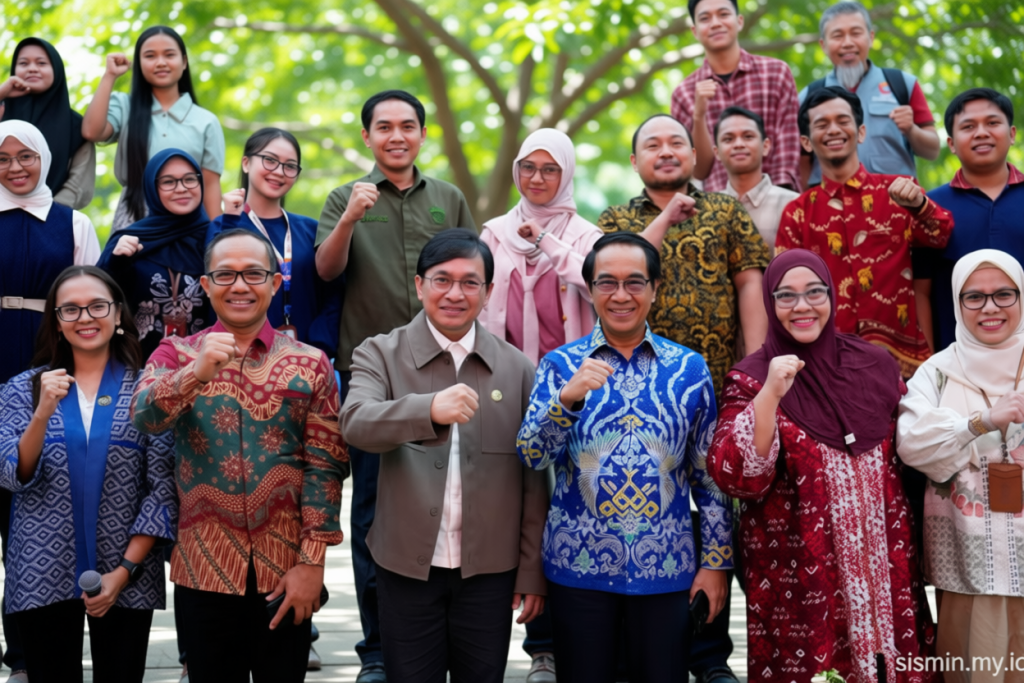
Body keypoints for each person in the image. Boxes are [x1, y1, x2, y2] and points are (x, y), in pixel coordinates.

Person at [707, 249, 937, 683]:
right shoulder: (751, 378)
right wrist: (770, 395)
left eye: (815, 292)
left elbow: (916, 448)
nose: (803, 306)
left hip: (887, 570)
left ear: (831, 295)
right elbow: (737, 476)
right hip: (801, 582)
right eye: (786, 296)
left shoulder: (875, 365)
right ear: (770, 303)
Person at [131, 228, 348, 682]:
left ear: (275, 282)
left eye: (253, 273)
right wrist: (196, 373)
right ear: (206, 284)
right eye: (225, 274)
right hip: (202, 567)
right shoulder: (176, 353)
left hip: (286, 568)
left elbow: (325, 466)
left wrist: (312, 562)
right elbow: (145, 417)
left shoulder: (309, 362)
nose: (240, 285)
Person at [516, 232, 732, 683]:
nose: (620, 295)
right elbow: (532, 455)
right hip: (578, 567)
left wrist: (715, 562)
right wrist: (567, 399)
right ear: (590, 288)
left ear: (655, 288)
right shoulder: (560, 365)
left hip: (667, 567)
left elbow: (708, 477)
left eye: (634, 282)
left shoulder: (689, 369)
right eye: (606, 283)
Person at [314, 89, 475, 683]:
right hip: (373, 375)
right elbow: (325, 270)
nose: (396, 136)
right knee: (372, 512)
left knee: (451, 501)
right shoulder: (346, 197)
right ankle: (378, 649)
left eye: (408, 126)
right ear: (367, 137)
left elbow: (472, 275)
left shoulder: (448, 198)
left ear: (422, 135)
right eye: (384, 127)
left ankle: (444, 639)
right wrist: (351, 218)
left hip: (449, 372)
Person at [340, 228, 547, 682]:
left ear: (488, 292)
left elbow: (534, 479)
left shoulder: (517, 368)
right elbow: (355, 422)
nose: (455, 294)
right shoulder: (379, 353)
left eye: (470, 282)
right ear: (419, 285)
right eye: (442, 280)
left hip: (490, 570)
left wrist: (531, 570)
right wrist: (427, 409)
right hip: (404, 566)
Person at [0, 265, 177, 683]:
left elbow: (162, 490)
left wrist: (125, 570)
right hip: (41, 567)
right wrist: (42, 413)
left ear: (118, 314)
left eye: (97, 306)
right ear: (56, 322)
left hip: (127, 569)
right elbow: (12, 475)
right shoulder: (22, 389)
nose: (85, 317)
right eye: (71, 309)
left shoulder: (149, 391)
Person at [478, 127, 599, 682]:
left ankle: (571, 642)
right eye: (528, 167)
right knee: (522, 508)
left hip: (577, 390)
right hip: (509, 386)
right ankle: (537, 647)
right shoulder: (493, 233)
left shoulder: (587, 235)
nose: (537, 178)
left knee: (570, 508)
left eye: (550, 169)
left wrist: (546, 242)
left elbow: (596, 283)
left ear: (567, 173)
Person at [897, 249, 1024, 683]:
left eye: (1004, 294)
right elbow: (912, 444)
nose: (990, 307)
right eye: (974, 297)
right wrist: (979, 422)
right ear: (956, 302)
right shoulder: (937, 372)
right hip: (970, 570)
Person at [776, 86, 953, 379]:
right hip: (827, 366)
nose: (834, 129)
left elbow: (941, 236)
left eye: (842, 120)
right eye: (822, 124)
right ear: (806, 141)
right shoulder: (797, 212)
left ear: (860, 132)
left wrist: (920, 205)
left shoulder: (898, 191)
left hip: (903, 364)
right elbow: (785, 292)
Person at [598, 113, 770, 398]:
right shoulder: (615, 219)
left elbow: (750, 283)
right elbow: (619, 272)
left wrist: (754, 365)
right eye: (653, 146)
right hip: (634, 379)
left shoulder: (726, 209)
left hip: (717, 377)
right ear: (634, 162)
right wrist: (666, 217)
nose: (666, 152)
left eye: (676, 144)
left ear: (693, 155)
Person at [208, 127, 341, 354]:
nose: (279, 172)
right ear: (246, 163)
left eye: (290, 166)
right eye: (270, 160)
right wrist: (231, 221)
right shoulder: (223, 225)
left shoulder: (311, 229)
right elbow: (220, 285)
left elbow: (334, 293)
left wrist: (320, 345)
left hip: (306, 356)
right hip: (241, 355)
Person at [82, 25, 224, 230]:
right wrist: (110, 76)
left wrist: (217, 238)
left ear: (184, 62)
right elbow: (91, 132)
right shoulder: (125, 106)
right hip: (135, 217)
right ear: (139, 63)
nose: (160, 62)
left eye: (169, 55)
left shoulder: (206, 121)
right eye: (150, 56)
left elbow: (210, 187)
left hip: (189, 222)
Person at [914, 89, 1022, 353]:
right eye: (968, 126)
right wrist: (931, 362)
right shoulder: (929, 208)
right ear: (951, 143)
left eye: (992, 123)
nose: (981, 133)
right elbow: (921, 292)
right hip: (958, 362)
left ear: (1012, 134)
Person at [799, 1, 940, 186]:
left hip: (895, 197)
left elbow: (932, 151)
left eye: (856, 33)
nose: (847, 43)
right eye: (837, 36)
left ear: (871, 37)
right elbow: (802, 161)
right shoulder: (808, 97)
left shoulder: (902, 84)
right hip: (832, 200)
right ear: (823, 45)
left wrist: (911, 129)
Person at [671, 0, 800, 192]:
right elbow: (698, 171)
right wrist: (699, 116)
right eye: (705, 18)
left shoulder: (776, 73)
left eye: (723, 14)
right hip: (718, 205)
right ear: (695, 31)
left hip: (777, 198)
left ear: (739, 21)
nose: (715, 23)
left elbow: (788, 145)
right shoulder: (684, 94)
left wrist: (780, 200)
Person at [97, 148, 213, 360]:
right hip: (136, 367)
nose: (181, 188)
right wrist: (115, 265)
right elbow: (98, 302)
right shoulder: (129, 240)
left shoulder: (216, 240)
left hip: (204, 367)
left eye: (189, 179)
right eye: (168, 182)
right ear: (152, 188)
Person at [0, 37, 95, 209]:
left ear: (56, 69)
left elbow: (79, 184)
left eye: (41, 63)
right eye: (23, 63)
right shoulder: (2, 111)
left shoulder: (75, 125)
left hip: (51, 216)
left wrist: (45, 213)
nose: (32, 68)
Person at [715, 106, 799, 250]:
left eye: (748, 136)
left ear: (765, 146)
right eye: (728, 139)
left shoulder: (794, 205)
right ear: (717, 152)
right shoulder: (706, 209)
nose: (739, 144)